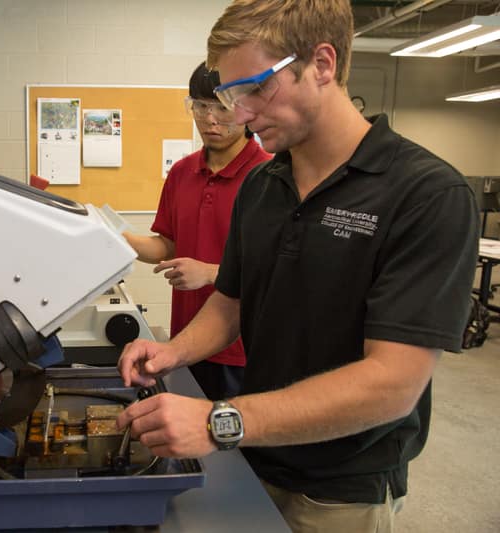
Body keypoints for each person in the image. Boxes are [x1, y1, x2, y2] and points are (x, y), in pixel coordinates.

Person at [116, 1, 479, 532]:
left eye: (256, 90)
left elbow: (393, 382)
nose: (239, 114)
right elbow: (233, 300)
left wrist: (221, 420)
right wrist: (173, 352)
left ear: (323, 64)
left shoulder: (426, 193)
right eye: (229, 95)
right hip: (255, 455)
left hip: (342, 489)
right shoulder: (263, 187)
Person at [122, 62, 271, 401]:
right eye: (200, 106)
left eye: (222, 107)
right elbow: (167, 246)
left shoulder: (269, 178)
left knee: (232, 449)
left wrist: (209, 273)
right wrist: (114, 239)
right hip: (186, 343)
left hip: (242, 352)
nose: (210, 118)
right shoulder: (182, 172)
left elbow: (275, 273)